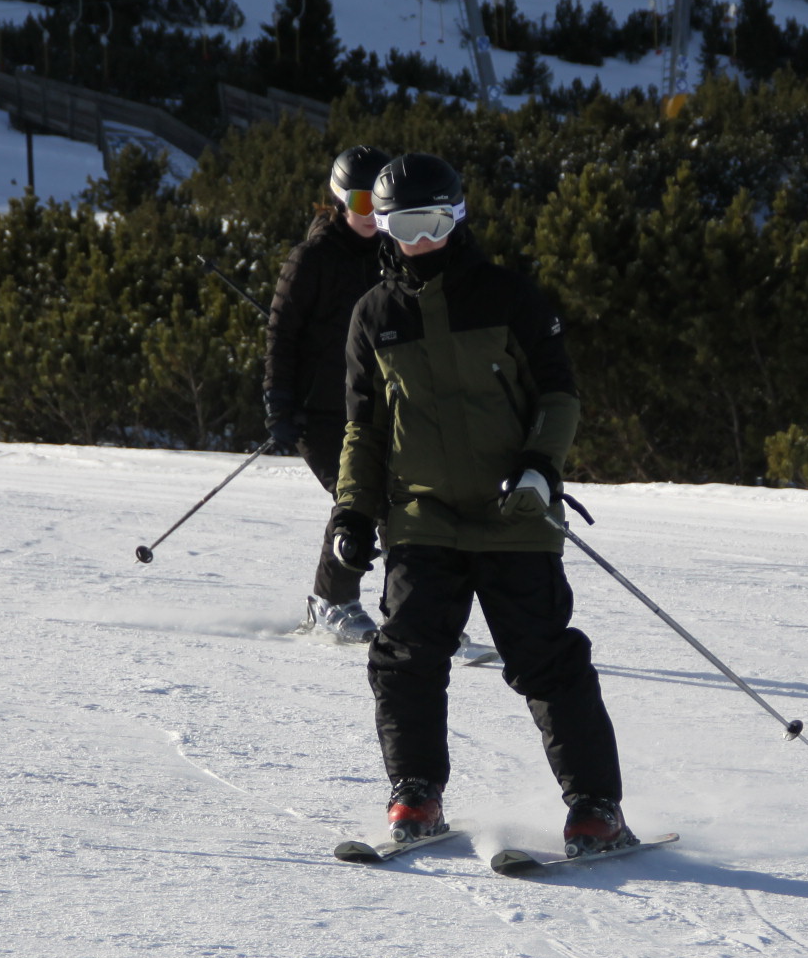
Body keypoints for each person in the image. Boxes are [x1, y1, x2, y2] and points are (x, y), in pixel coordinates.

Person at [329, 153, 637, 858]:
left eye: (433, 224)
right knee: (405, 656)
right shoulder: (374, 316)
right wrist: (352, 511)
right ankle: (416, 794)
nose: (420, 242)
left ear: (457, 218)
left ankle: (596, 807)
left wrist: (539, 469)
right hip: (422, 516)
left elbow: (558, 395)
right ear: (383, 229)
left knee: (545, 659)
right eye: (403, 227)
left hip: (514, 514)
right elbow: (363, 430)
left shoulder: (507, 296)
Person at [265, 145, 391, 643]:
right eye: (361, 203)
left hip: (377, 408)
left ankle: (414, 608)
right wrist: (279, 402)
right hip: (318, 412)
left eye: (380, 203)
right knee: (358, 497)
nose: (371, 214)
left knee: (403, 501)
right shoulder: (312, 258)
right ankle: (332, 601)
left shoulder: (393, 256)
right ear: (340, 202)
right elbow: (282, 334)